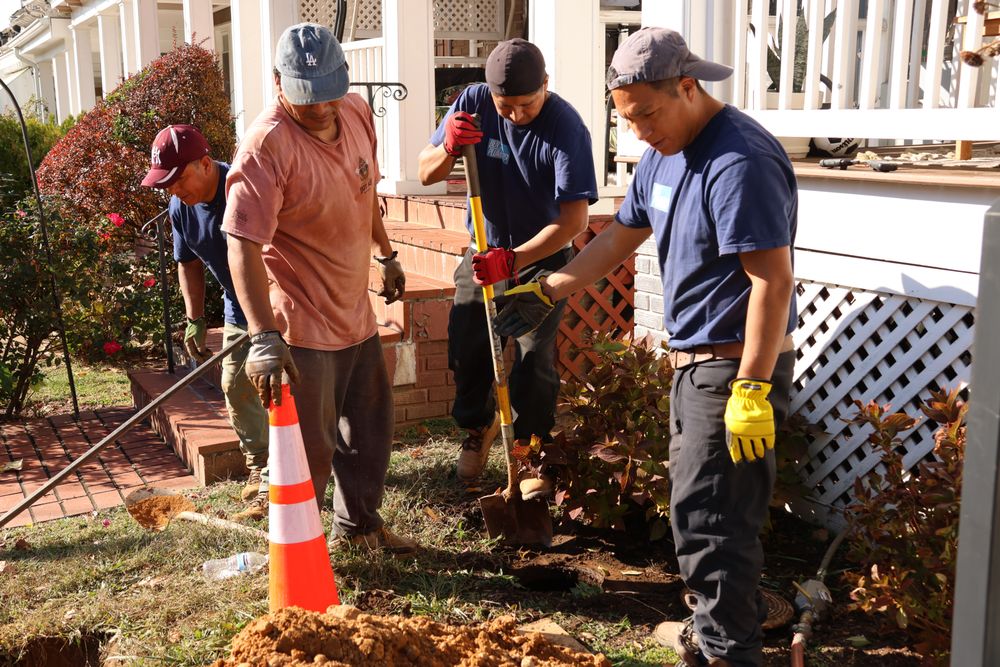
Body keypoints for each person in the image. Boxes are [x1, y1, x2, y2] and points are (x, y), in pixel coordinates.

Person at [493, 28, 798, 667]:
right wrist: (547, 288)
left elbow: (771, 279)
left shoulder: (738, 160)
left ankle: (727, 654)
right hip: (694, 364)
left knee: (713, 526)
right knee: (699, 519)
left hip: (733, 366)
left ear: (688, 87)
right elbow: (618, 237)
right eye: (626, 119)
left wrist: (751, 386)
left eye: (648, 115)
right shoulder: (662, 154)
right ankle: (716, 637)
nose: (638, 132)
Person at [222, 22, 415, 555]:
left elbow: (365, 188)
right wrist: (263, 336)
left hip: (355, 311)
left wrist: (388, 254)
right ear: (279, 83)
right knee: (310, 451)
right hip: (301, 325)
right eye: (309, 99)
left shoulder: (353, 111)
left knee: (370, 435)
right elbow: (241, 243)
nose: (322, 108)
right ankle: (301, 556)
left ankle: (359, 533)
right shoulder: (267, 145)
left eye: (330, 94)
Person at [417, 38, 598, 495]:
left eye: (526, 104)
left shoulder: (566, 128)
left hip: (543, 261)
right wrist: (449, 149)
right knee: (469, 344)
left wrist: (515, 260)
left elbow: (574, 222)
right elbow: (425, 172)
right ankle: (477, 432)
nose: (516, 115)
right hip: (483, 253)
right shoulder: (473, 102)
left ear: (546, 86)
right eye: (506, 106)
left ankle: (531, 453)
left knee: (534, 360)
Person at [141, 124, 269, 519]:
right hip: (236, 304)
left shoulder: (243, 190)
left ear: (204, 162)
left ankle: (298, 468)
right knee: (235, 384)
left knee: (279, 384)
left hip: (279, 299)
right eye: (165, 184)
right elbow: (188, 263)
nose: (173, 191)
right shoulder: (180, 206)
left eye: (177, 180)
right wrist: (194, 318)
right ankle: (262, 468)